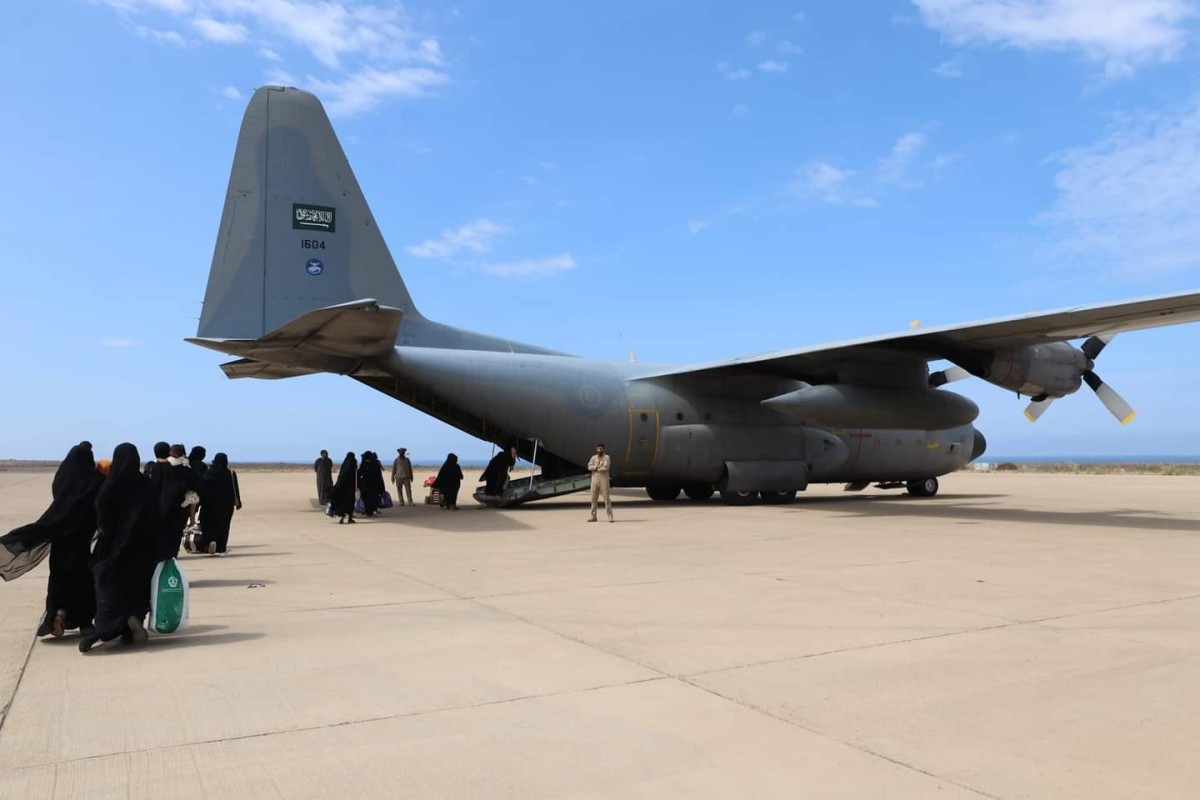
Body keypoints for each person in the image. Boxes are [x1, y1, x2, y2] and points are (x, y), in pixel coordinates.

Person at [1, 443, 104, 638]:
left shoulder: (62, 480)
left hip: (62, 541)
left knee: (59, 580)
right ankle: (85, 623)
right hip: (84, 542)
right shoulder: (96, 481)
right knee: (84, 582)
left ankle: (57, 615)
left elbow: (60, 502)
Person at [81, 443, 161, 652]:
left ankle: (110, 627)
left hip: (114, 547)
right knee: (138, 586)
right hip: (143, 548)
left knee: (108, 585)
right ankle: (133, 618)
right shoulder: (147, 484)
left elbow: (101, 512)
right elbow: (156, 516)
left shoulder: (111, 484)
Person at [151, 444, 202, 559]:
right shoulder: (186, 471)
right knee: (174, 541)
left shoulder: (155, 468)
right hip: (178, 512)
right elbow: (195, 491)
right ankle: (171, 563)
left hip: (157, 511)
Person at [197, 454, 241, 556]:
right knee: (223, 526)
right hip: (226, 505)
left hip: (209, 504)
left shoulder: (207, 472)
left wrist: (199, 503)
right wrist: (238, 501)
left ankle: (208, 543)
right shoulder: (230, 473)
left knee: (207, 524)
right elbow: (235, 489)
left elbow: (202, 489)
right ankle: (221, 547)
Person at [587, 443, 613, 523]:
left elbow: (605, 468)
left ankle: (610, 516)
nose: (599, 450)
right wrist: (597, 467)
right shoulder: (593, 457)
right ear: (596, 449)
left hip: (603, 479)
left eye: (601, 449)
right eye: (598, 449)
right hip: (594, 479)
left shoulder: (606, 457)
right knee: (593, 498)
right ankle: (593, 516)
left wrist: (595, 468)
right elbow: (589, 467)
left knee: (606, 498)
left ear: (603, 449)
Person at [330, 452, 358, 524]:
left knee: (344, 503)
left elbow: (341, 476)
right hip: (350, 488)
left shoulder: (345, 464)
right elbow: (355, 475)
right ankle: (349, 518)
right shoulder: (353, 463)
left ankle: (343, 517)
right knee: (350, 503)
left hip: (343, 487)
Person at [358, 451, 385, 516]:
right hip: (374, 484)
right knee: (373, 498)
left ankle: (369, 511)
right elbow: (379, 475)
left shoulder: (364, 463)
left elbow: (360, 473)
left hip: (366, 485)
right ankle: (373, 510)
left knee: (367, 498)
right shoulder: (375, 463)